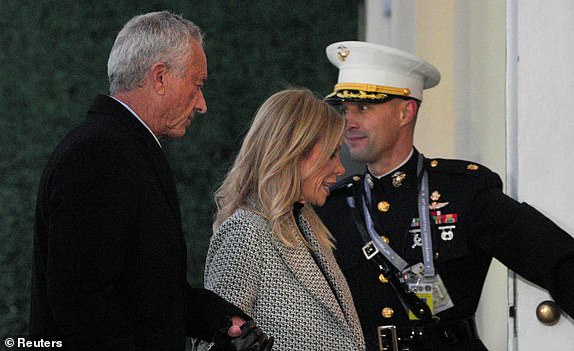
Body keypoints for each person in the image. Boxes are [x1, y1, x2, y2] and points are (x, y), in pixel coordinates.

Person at [29, 11, 272, 351]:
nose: (202, 104)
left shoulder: (122, 146)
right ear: (159, 76)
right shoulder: (101, 152)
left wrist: (220, 319)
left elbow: (148, 289)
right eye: (197, 84)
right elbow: (81, 298)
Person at [315, 41, 574, 351]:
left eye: (364, 107)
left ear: (405, 111)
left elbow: (555, 260)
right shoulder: (332, 205)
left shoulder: (462, 192)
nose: (349, 122)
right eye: (345, 109)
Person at [199, 88, 366, 350]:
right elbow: (212, 343)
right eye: (332, 154)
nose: (340, 168)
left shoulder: (307, 226)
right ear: (295, 152)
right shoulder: (245, 232)